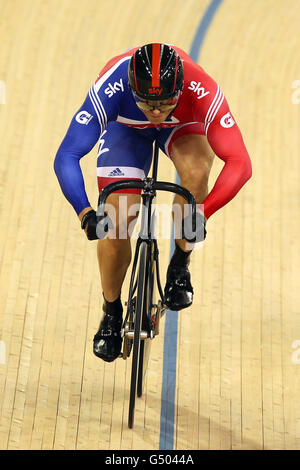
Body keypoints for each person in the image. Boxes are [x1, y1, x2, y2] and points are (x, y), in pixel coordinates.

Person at [54, 43, 252, 363]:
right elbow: (67, 155)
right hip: (126, 130)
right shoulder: (111, 87)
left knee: (197, 173)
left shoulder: (202, 88)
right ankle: (112, 310)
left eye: (164, 102)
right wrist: (85, 211)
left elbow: (240, 163)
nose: (156, 112)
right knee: (116, 224)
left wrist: (203, 211)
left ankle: (179, 263)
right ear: (132, 88)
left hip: (182, 126)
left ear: (180, 88)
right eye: (147, 102)